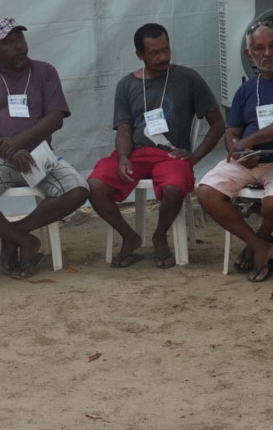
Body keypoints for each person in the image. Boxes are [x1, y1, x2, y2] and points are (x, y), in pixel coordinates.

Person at [0, 18, 90, 279]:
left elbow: (56, 117)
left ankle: (15, 233)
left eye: (20, 39)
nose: (19, 46)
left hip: (38, 155)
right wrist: (9, 150)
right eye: (9, 42)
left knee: (78, 190)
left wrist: (20, 141)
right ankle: (26, 241)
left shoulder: (44, 71)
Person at [88, 24, 225, 269]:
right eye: (154, 53)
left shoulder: (188, 78)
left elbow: (218, 124)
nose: (162, 57)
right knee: (95, 185)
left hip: (171, 156)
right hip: (135, 153)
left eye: (165, 49)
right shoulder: (126, 84)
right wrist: (123, 156)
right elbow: (123, 128)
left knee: (174, 188)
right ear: (140, 54)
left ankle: (160, 236)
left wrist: (195, 156)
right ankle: (129, 236)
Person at [193, 23, 273, 283]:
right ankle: (259, 245)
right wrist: (237, 149)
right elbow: (232, 130)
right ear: (249, 53)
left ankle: (260, 238)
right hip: (249, 161)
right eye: (259, 48)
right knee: (206, 191)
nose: (267, 53)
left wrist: (249, 141)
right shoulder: (246, 89)